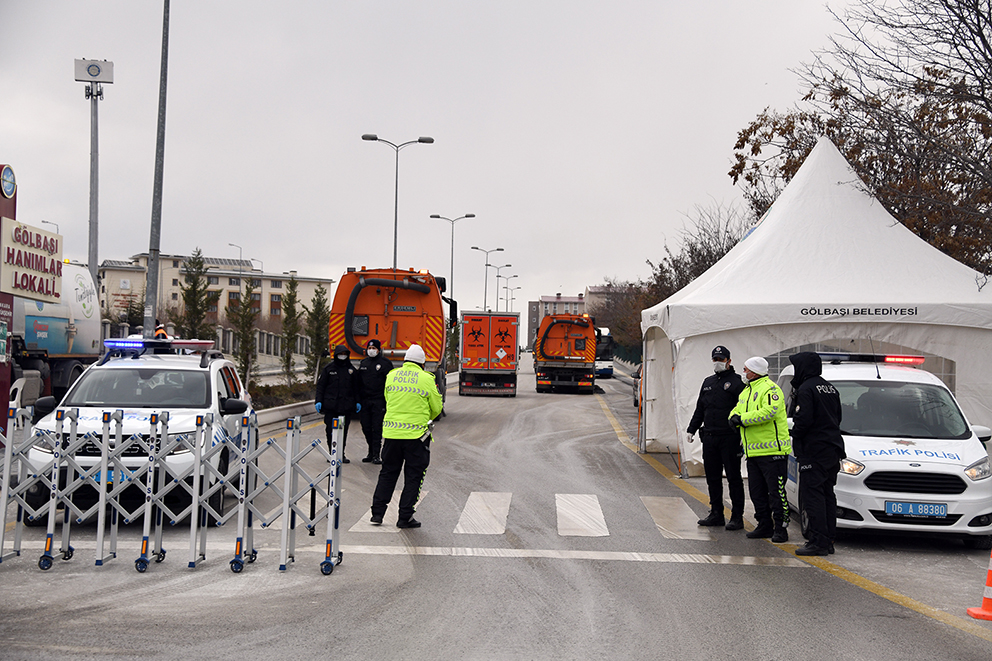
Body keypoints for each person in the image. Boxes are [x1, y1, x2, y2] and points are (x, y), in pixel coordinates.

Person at [369, 344, 442, 528]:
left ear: (405, 361)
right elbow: (437, 408)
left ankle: (377, 514)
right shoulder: (426, 379)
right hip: (417, 438)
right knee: (413, 476)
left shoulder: (391, 376)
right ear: (422, 364)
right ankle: (405, 517)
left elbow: (388, 399)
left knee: (387, 473)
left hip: (392, 435)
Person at [729, 356, 791, 544]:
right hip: (753, 452)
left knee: (776, 492)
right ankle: (764, 524)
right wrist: (732, 418)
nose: (744, 373)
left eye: (746, 369)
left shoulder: (771, 389)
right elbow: (736, 410)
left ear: (755, 371)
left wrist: (742, 419)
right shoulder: (746, 391)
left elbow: (769, 412)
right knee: (757, 492)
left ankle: (781, 528)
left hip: (773, 453)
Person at [788, 351, 845, 556]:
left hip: (814, 451)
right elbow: (837, 418)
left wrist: (794, 433)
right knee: (828, 495)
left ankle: (818, 541)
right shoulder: (830, 388)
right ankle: (828, 539)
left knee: (813, 497)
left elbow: (803, 421)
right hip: (832, 449)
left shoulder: (806, 389)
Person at [686, 345, 746, 530]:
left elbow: (744, 409)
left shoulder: (737, 383)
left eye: (721, 359)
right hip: (710, 437)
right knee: (712, 477)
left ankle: (737, 517)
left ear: (729, 361)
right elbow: (700, 409)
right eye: (715, 359)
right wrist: (692, 429)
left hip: (729, 438)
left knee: (733, 478)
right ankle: (716, 513)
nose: (718, 362)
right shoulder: (708, 382)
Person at [315, 344, 363, 464]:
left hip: (346, 407)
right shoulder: (328, 369)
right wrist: (318, 401)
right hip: (331, 407)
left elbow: (356, 388)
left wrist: (358, 402)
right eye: (340, 354)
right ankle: (332, 453)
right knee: (330, 430)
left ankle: (341, 453)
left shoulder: (351, 370)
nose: (342, 356)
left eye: (344, 354)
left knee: (343, 431)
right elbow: (321, 386)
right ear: (336, 355)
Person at [358, 338, 393, 464]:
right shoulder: (364, 363)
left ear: (379, 350)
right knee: (366, 427)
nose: (371, 351)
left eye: (374, 349)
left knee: (377, 428)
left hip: (379, 401)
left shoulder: (385, 363)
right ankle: (371, 451)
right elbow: (359, 383)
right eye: (369, 348)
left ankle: (377, 455)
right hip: (365, 401)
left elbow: (390, 384)